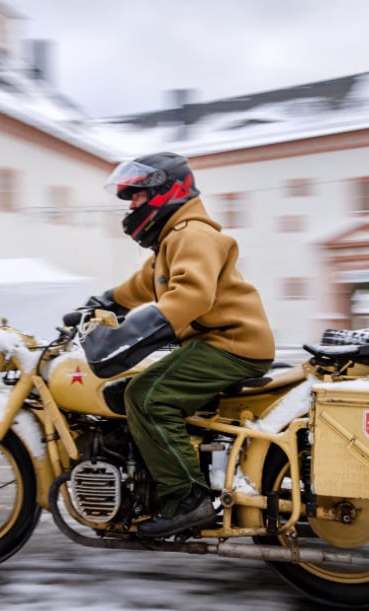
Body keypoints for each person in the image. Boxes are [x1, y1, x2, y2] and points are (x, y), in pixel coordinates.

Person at [80, 152, 276, 537]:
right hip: (217, 342)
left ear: (165, 192)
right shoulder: (172, 241)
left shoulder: (192, 234)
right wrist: (99, 305)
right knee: (121, 394)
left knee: (146, 397)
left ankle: (188, 499)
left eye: (137, 196)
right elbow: (139, 287)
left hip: (232, 343)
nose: (132, 205)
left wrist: (131, 334)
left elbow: (191, 294)